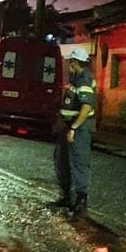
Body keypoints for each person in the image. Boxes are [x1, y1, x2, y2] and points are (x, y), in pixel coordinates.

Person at [51, 47, 96, 218]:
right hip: (68, 125)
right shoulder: (76, 78)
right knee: (61, 158)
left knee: (79, 161)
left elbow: (86, 106)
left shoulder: (84, 79)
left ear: (75, 62)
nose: (69, 63)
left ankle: (80, 201)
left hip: (79, 128)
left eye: (71, 61)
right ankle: (66, 197)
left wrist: (74, 128)